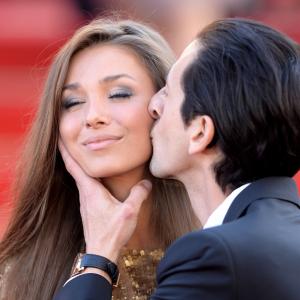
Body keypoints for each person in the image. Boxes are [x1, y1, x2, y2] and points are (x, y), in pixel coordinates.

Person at [54, 18, 300, 300]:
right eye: (72, 102)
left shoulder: (213, 257)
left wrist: (97, 258)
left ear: (200, 131)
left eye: (168, 92)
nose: (154, 106)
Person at [0, 19, 199, 300]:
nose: (93, 116)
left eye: (119, 94)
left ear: (163, 105)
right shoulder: (15, 273)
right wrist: (99, 256)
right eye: (72, 102)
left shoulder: (217, 251)